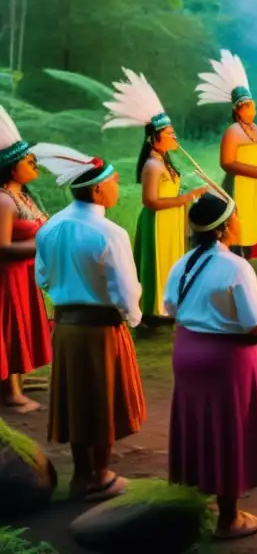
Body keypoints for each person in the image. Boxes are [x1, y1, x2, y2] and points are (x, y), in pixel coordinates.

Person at [33, 144, 145, 501]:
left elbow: (43, 278)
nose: (117, 186)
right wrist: (133, 318)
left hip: (65, 328)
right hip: (101, 329)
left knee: (76, 400)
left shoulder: (50, 227)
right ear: (98, 189)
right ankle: (100, 475)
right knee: (102, 400)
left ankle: (82, 474)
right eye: (113, 181)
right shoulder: (110, 234)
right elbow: (126, 290)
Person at [164, 193, 257, 540]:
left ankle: (207, 497)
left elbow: (170, 307)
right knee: (228, 430)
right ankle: (228, 518)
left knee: (201, 425)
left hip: (187, 352)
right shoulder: (235, 266)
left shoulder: (182, 262)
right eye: (238, 217)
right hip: (225, 360)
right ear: (226, 227)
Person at [102, 69, 206, 325]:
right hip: (157, 222)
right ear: (154, 138)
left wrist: (186, 196)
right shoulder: (152, 165)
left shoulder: (164, 161)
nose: (174, 136)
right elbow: (150, 202)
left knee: (171, 261)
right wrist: (186, 198)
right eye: (169, 133)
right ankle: (153, 311)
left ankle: (168, 305)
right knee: (157, 263)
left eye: (173, 132)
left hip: (170, 220)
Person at [197, 50, 257, 260]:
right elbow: (226, 162)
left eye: (251, 104)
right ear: (237, 110)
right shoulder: (233, 131)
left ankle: (247, 259)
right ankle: (235, 258)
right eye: (246, 106)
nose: (251, 108)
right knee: (240, 222)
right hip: (240, 186)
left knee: (256, 222)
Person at [0, 108, 50, 413]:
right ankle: (10, 392)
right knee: (10, 328)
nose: (34, 164)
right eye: (28, 161)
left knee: (22, 327)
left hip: (24, 274)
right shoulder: (4, 200)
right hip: (8, 277)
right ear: (11, 167)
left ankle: (18, 379)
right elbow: (2, 247)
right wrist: (42, 243)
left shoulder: (23, 196)